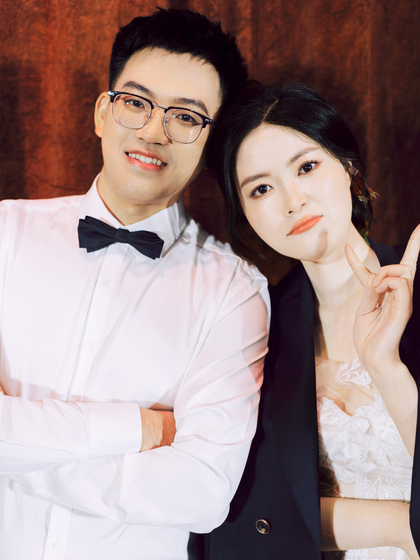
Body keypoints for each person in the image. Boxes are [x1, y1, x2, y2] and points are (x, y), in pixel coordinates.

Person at [0, 9, 269, 560]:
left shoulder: (234, 291)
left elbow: (202, 493)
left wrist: (17, 457)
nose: (152, 131)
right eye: (136, 102)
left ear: (210, 142)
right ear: (104, 112)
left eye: (186, 116)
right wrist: (134, 429)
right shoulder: (5, 233)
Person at [189, 83, 420, 559]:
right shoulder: (252, 337)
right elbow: (241, 517)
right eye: (261, 189)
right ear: (246, 215)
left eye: (307, 167)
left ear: (349, 168)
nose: (292, 201)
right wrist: (401, 525)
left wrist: (386, 369)